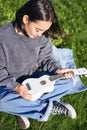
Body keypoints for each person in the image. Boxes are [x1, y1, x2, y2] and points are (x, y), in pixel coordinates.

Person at [0, 0, 77, 129]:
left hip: (36, 78)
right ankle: (48, 107)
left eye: (43, 31)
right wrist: (16, 87)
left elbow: (46, 59)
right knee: (2, 102)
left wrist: (57, 69)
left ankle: (22, 107)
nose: (40, 35)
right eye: (38, 29)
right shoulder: (2, 37)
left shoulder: (41, 35)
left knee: (68, 82)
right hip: (10, 85)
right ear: (26, 19)